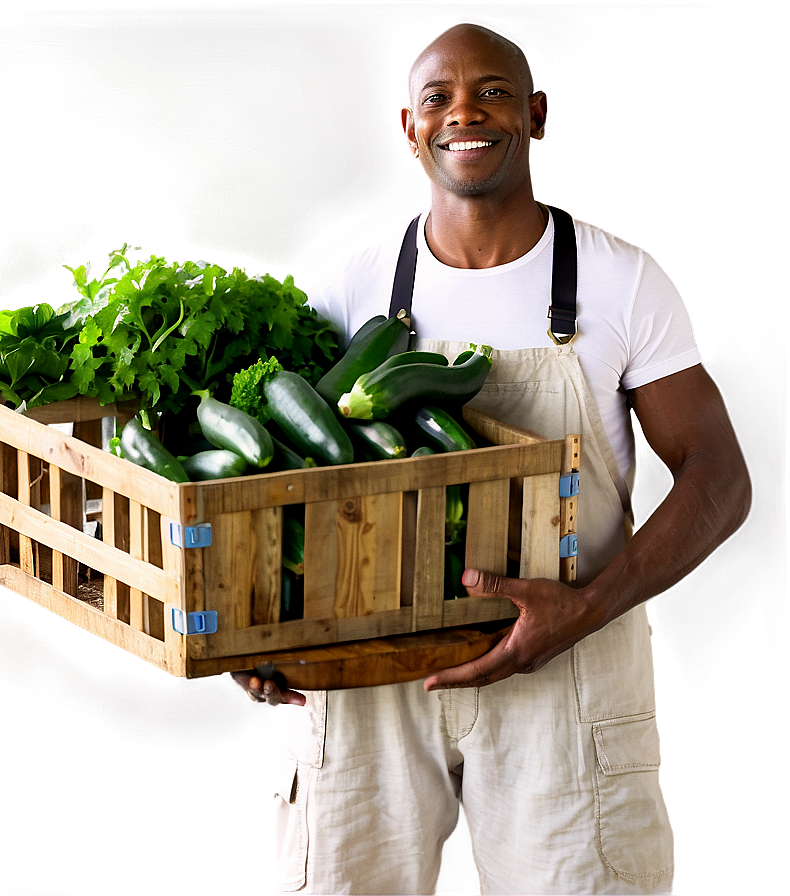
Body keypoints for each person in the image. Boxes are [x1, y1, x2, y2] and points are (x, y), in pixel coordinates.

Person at [235, 22, 752, 895]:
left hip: (567, 665)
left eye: (493, 92)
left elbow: (722, 480)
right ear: (408, 126)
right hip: (370, 663)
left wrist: (585, 609)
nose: (463, 112)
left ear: (537, 115)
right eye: (437, 97)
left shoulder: (620, 283)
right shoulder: (348, 288)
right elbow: (285, 479)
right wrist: (262, 624)